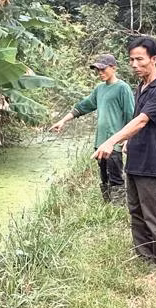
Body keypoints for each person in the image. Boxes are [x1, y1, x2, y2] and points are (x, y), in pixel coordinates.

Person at [92, 36, 156, 265]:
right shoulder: (141, 87)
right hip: (136, 157)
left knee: (153, 211)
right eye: (131, 60)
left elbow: (141, 121)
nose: (134, 65)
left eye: (140, 59)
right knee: (136, 209)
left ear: (154, 59)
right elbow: (134, 120)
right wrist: (127, 141)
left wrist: (111, 141)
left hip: (153, 159)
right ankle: (144, 254)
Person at [50, 54, 135, 205]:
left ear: (113, 68)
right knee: (104, 177)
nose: (100, 73)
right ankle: (107, 206)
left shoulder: (123, 88)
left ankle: (118, 208)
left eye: (103, 69)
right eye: (98, 70)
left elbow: (131, 114)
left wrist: (128, 139)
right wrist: (62, 121)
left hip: (114, 143)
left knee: (116, 178)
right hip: (100, 143)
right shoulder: (99, 89)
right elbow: (83, 106)